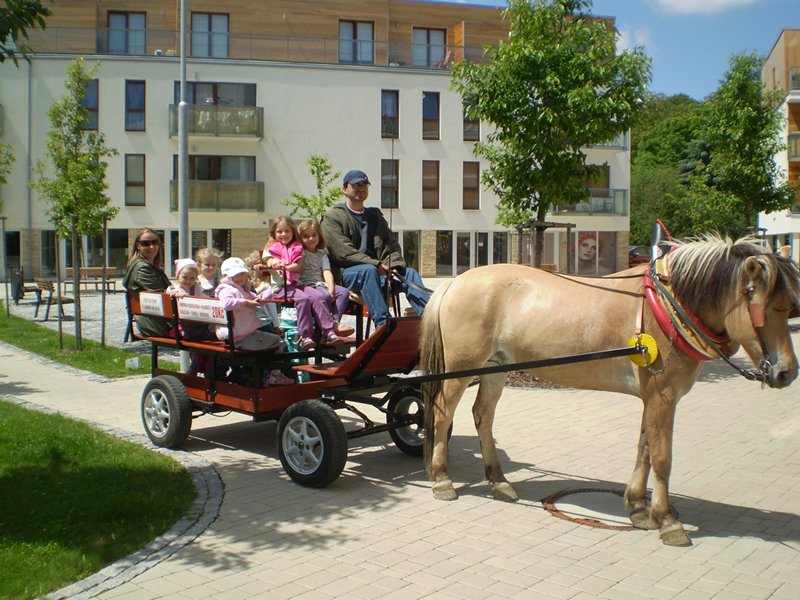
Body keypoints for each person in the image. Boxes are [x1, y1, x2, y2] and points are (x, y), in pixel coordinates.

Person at [322, 169, 428, 328]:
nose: (361, 188)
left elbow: (390, 245)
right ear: (345, 189)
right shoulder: (332, 217)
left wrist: (394, 266)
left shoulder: (375, 216)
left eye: (364, 185)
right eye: (356, 185)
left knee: (410, 273)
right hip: (347, 275)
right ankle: (384, 325)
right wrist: (376, 264)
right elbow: (343, 253)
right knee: (368, 271)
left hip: (377, 272)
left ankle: (429, 320)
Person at [215, 257, 294, 386]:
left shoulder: (242, 289)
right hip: (240, 337)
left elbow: (257, 301)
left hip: (243, 334)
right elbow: (226, 303)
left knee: (274, 340)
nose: (240, 277)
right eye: (236, 275)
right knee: (279, 342)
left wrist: (271, 291)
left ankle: (267, 374)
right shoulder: (226, 289)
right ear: (227, 276)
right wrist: (245, 302)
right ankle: (274, 375)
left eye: (242, 273)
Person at [262, 215, 338, 349]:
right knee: (303, 299)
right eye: (280, 231)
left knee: (317, 296)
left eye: (287, 231)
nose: (283, 234)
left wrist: (286, 267)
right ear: (274, 233)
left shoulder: (297, 247)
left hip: (296, 284)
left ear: (293, 232)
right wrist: (274, 263)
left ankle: (329, 331)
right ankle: (306, 335)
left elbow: (298, 265)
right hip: (281, 288)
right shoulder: (271, 248)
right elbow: (269, 262)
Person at [297, 218, 355, 340]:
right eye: (306, 236)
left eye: (314, 235)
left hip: (319, 283)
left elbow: (327, 272)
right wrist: (328, 292)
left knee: (343, 292)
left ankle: (334, 322)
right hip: (306, 285)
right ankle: (326, 329)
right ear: (300, 239)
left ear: (319, 236)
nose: (311, 238)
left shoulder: (322, 255)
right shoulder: (301, 253)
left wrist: (331, 288)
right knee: (325, 295)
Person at [167, 258, 217, 376]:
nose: (188, 281)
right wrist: (177, 295)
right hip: (184, 328)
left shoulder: (196, 287)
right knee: (217, 338)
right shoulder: (173, 289)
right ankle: (203, 370)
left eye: (192, 278)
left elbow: (203, 299)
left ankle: (203, 369)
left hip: (197, 325)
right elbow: (169, 295)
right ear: (178, 276)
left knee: (215, 335)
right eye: (185, 277)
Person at [122, 228, 171, 337]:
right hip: (159, 324)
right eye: (146, 243)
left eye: (155, 242)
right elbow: (164, 298)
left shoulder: (148, 265)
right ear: (138, 246)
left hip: (158, 320)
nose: (152, 247)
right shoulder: (142, 268)